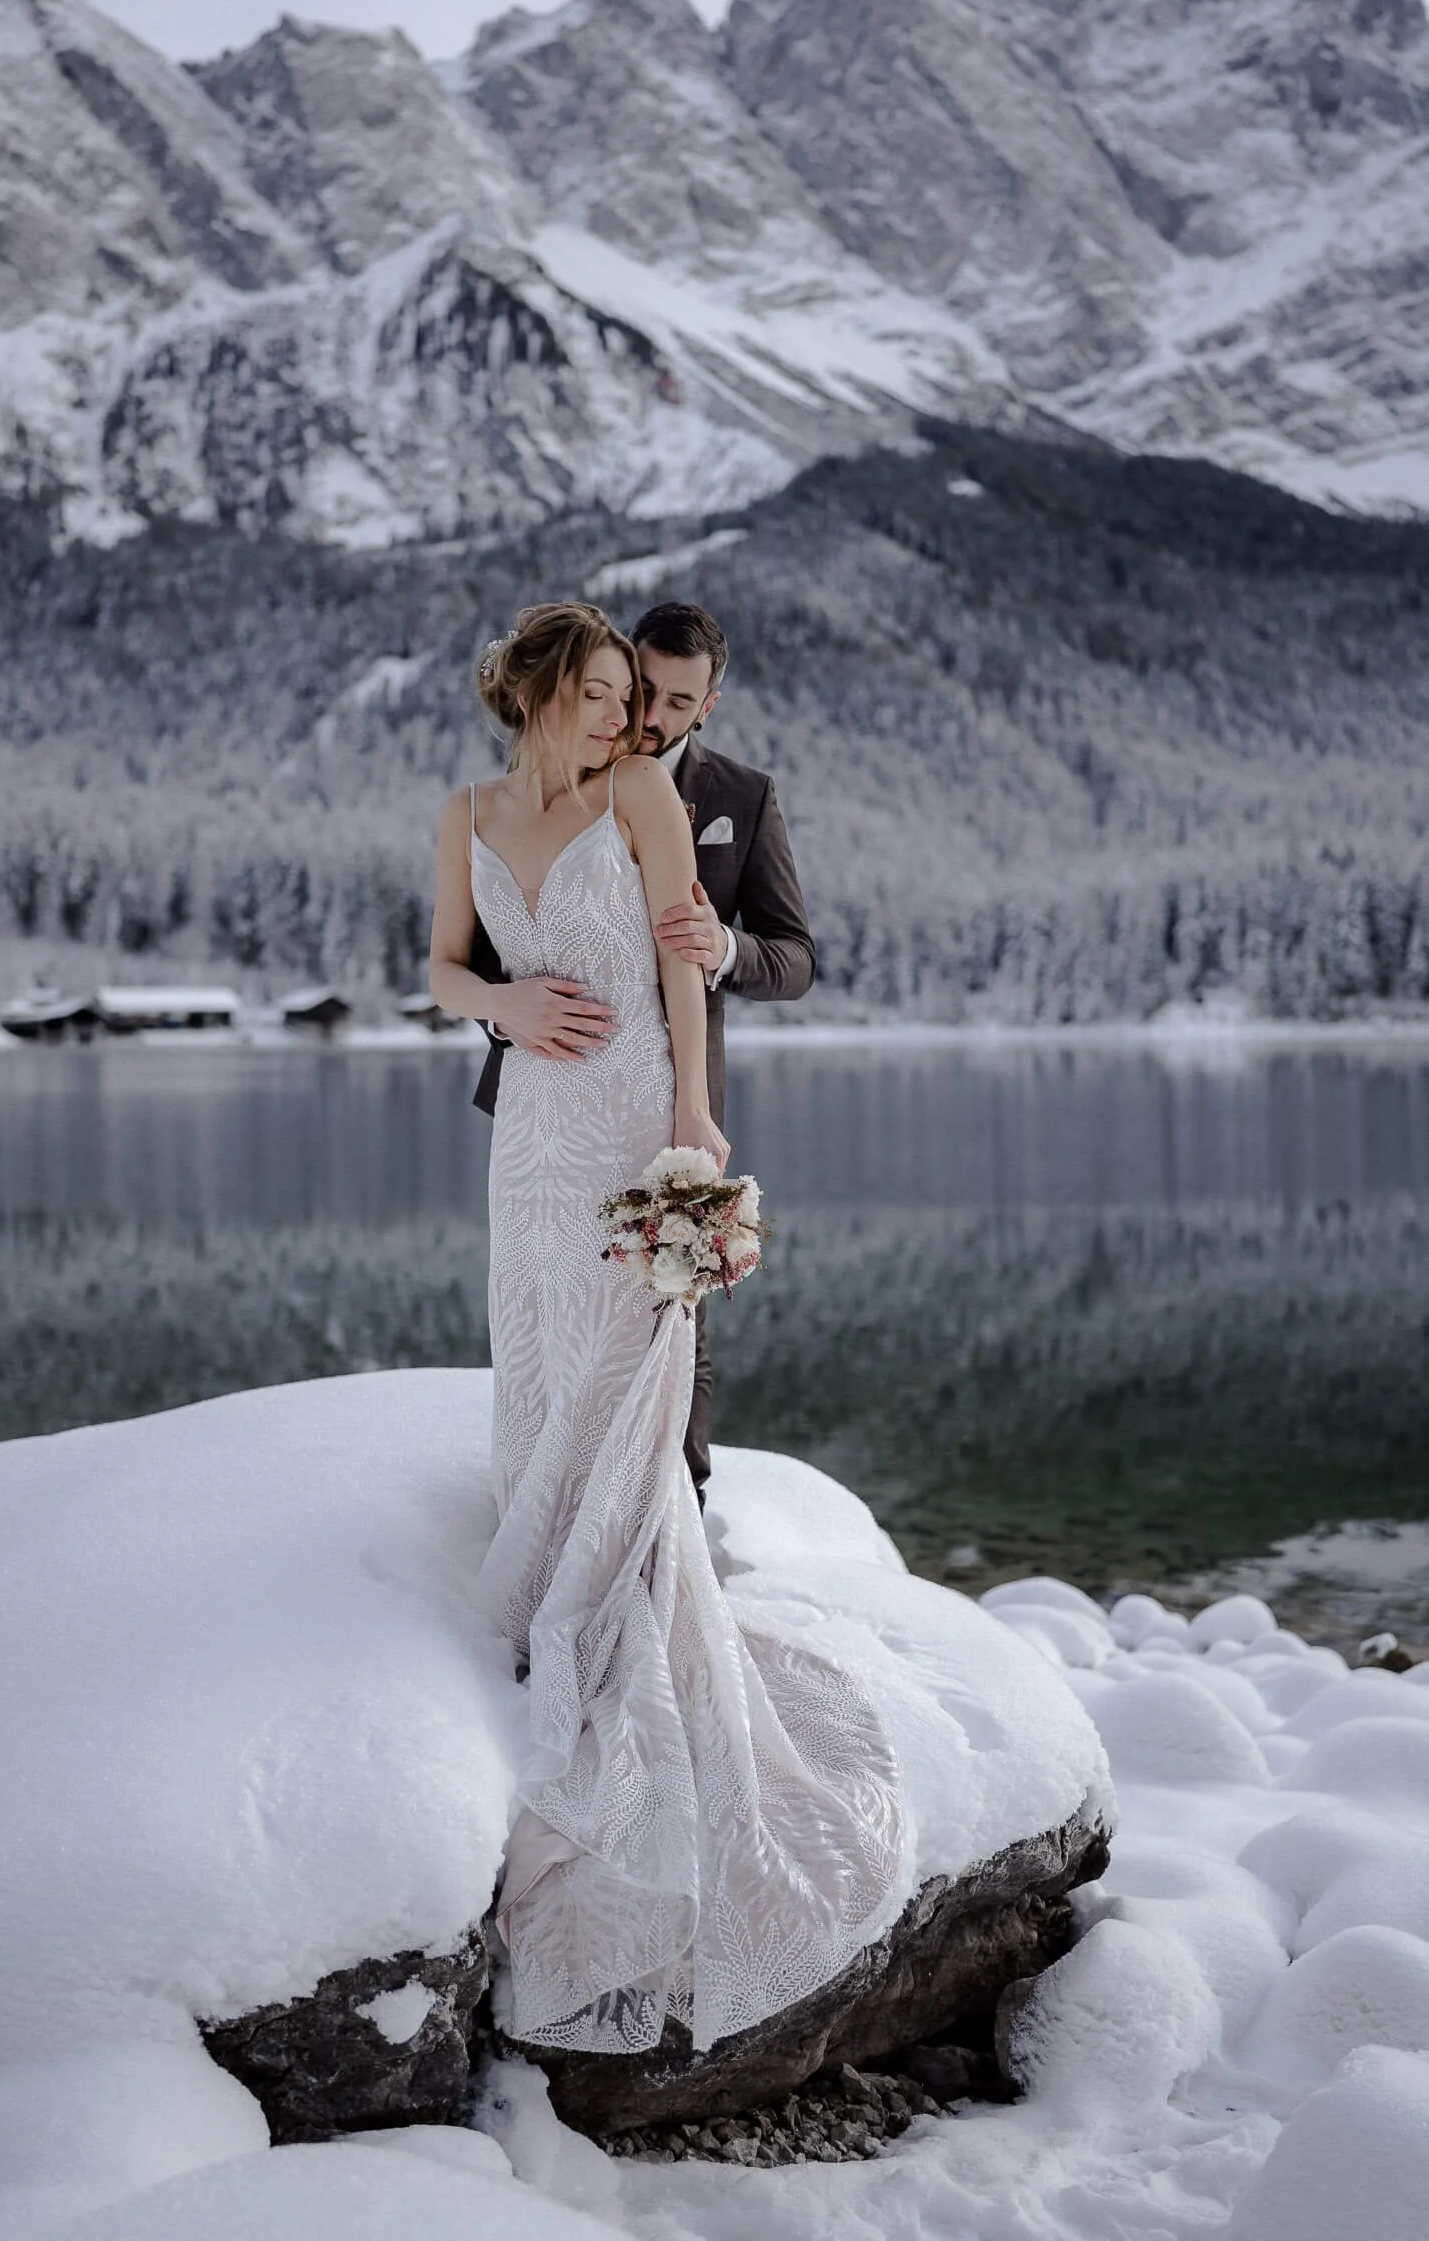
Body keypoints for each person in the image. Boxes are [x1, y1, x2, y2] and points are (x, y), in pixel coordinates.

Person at [429, 602, 903, 2058]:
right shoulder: (466, 812)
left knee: (642, 1366)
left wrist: (694, 1111)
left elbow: (716, 964)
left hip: (638, 1101)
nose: (632, 719)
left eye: (650, 699)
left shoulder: (660, 794)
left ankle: (631, 1573)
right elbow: (444, 966)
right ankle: (549, 1564)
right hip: (533, 1125)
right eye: (608, 693)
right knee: (540, 1353)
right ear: (543, 691)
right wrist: (500, 1003)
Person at [467, 600, 815, 1500]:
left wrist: (722, 946)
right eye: (638, 690)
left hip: (667, 1091)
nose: (645, 717)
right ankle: (552, 1503)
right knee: (546, 1310)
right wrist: (506, 1013)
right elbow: (490, 951)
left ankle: (669, 1514)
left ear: (710, 705)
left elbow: (797, 958)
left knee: (672, 1314)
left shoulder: (742, 797)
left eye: (675, 702)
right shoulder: (539, 781)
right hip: (544, 1101)